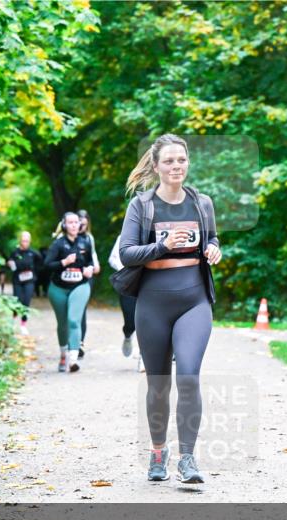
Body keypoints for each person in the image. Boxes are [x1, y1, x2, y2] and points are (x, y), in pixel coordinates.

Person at [119, 134, 222, 484]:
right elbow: (127, 253)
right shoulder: (142, 205)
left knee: (189, 377)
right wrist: (161, 246)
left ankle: (188, 459)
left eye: (181, 160)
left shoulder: (202, 203)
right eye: (169, 161)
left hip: (194, 301)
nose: (177, 166)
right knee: (159, 385)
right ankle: (158, 451)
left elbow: (212, 237)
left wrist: (213, 249)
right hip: (153, 304)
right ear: (156, 166)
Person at [44, 212, 95, 372]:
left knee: (73, 320)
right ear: (64, 225)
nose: (74, 225)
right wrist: (64, 262)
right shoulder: (58, 244)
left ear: (80, 225)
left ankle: (73, 359)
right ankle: (63, 354)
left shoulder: (85, 243)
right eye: (70, 222)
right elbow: (47, 265)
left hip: (80, 286)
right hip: (58, 288)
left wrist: (89, 269)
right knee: (63, 324)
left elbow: (90, 262)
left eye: (76, 222)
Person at [7, 231, 43, 335]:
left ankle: (23, 325)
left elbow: (41, 264)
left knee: (26, 301)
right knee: (17, 301)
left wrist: (35, 273)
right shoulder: (15, 253)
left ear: (30, 241)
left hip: (29, 280)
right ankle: (13, 322)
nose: (25, 243)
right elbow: (9, 264)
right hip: (17, 280)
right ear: (20, 241)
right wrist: (10, 264)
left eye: (27, 241)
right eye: (23, 241)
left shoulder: (34, 253)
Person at [108, 234, 137, 358]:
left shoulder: (153, 235)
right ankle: (128, 335)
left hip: (148, 283)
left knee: (148, 322)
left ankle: (143, 359)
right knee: (130, 321)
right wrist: (124, 268)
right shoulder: (123, 236)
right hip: (128, 283)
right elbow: (112, 259)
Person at [77, 210, 101, 359]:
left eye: (85, 224)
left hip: (86, 277)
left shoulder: (89, 238)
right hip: (70, 277)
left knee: (81, 309)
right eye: (80, 223)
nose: (81, 227)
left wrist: (95, 265)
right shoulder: (66, 237)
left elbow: (92, 254)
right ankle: (71, 341)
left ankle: (79, 343)